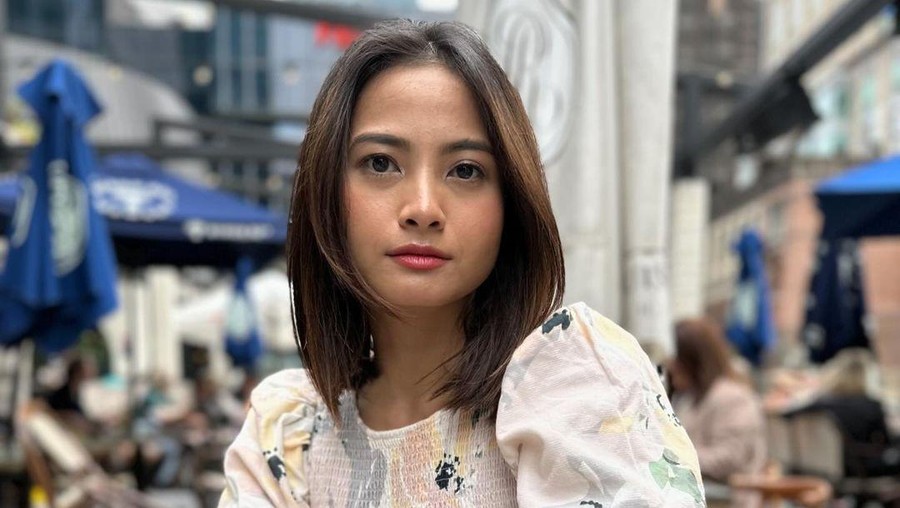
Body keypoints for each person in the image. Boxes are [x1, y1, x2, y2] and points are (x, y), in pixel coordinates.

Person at [220, 20, 704, 507]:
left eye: (466, 170)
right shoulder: (288, 429)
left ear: (511, 203)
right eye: (380, 163)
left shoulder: (571, 386)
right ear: (325, 191)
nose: (423, 208)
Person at [669, 319, 766, 505]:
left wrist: (672, 457)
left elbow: (730, 458)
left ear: (692, 359)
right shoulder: (688, 399)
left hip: (726, 500)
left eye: (676, 359)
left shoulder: (733, 397)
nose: (671, 366)